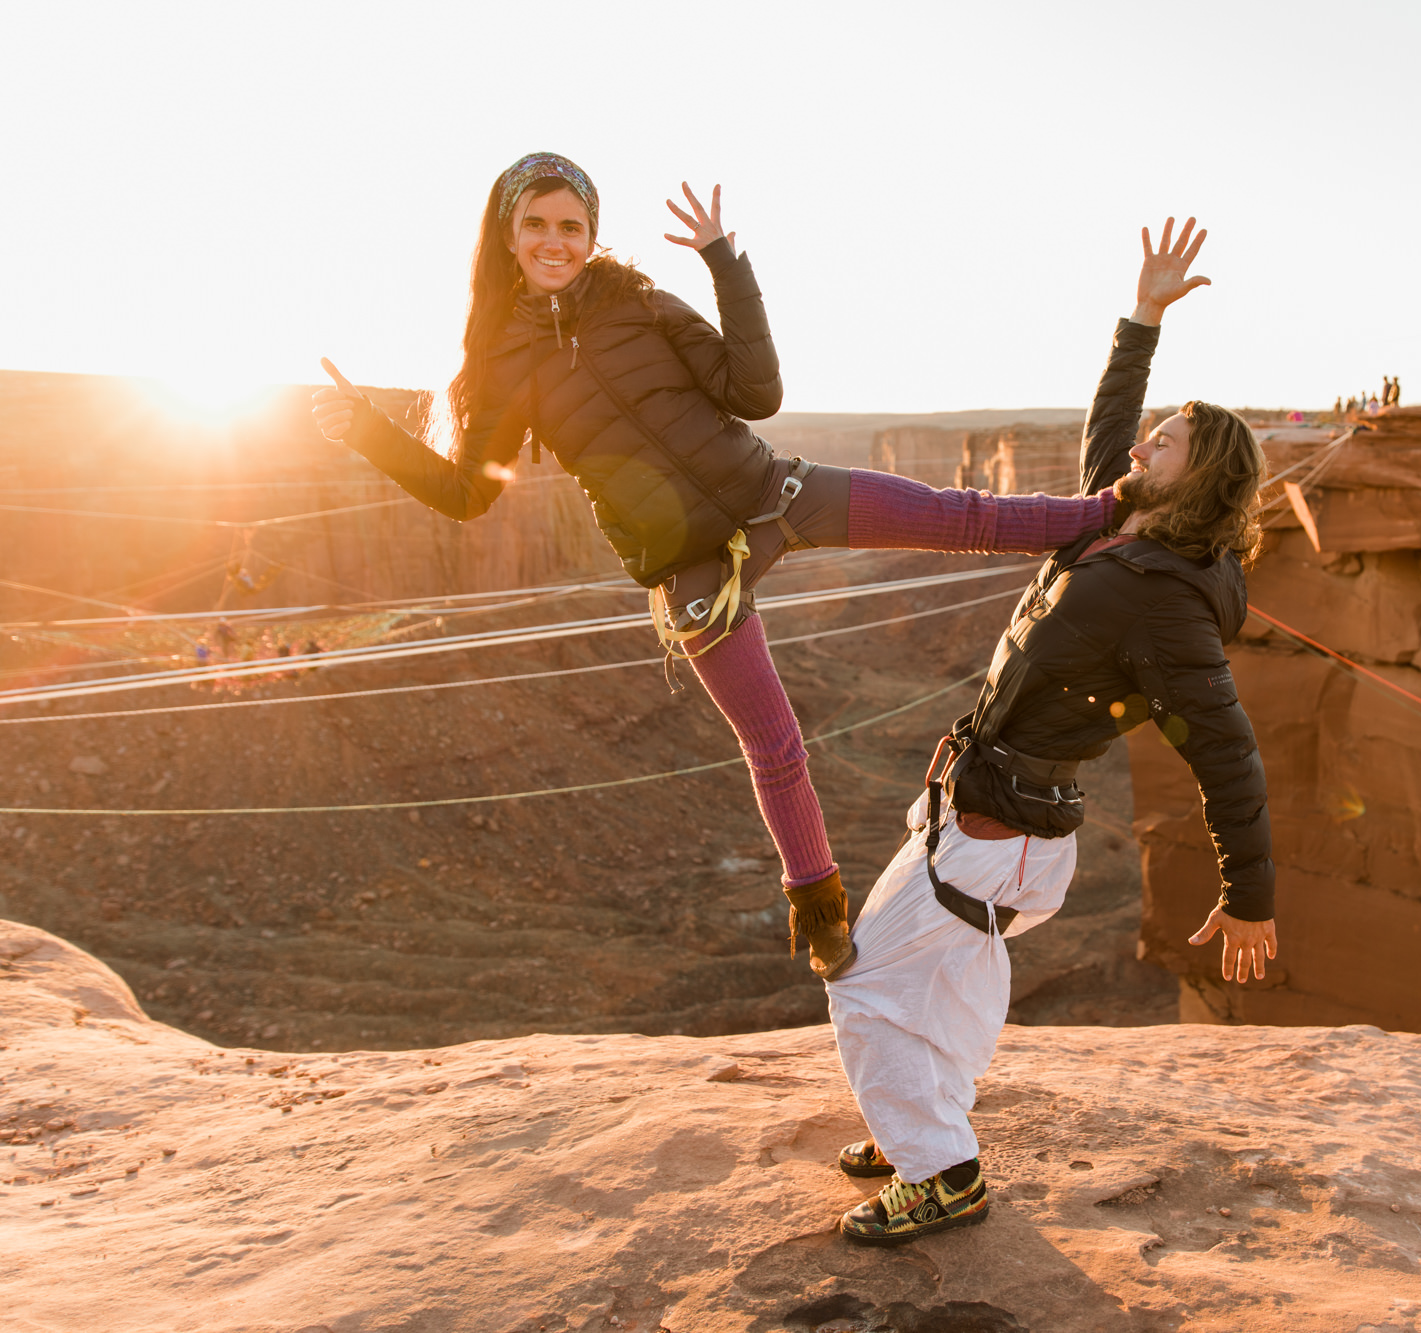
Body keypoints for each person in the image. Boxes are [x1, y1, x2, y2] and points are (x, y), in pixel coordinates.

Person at [309, 153, 1117, 982]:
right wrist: (367, 430)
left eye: (571, 225)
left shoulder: (638, 301)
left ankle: (1108, 516)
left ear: (591, 233)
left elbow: (755, 390)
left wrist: (724, 262)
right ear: (508, 235)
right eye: (536, 225)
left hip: (773, 490)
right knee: (774, 744)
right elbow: (465, 493)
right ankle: (823, 915)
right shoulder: (501, 359)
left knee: (961, 516)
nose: (555, 241)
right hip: (692, 567)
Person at [821, 217, 1277, 1245]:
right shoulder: (1119, 523)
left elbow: (1224, 748)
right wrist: (1142, 317)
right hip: (993, 818)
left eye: (1163, 442)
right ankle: (919, 1122)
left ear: (1192, 480)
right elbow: (1105, 433)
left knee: (861, 978)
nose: (1138, 444)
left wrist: (1248, 895)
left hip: (1000, 831)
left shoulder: (1163, 598)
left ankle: (940, 1172)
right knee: (943, 976)